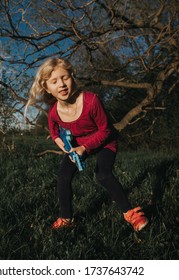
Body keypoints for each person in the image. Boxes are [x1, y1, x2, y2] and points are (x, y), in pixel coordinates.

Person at [26, 57, 148, 232]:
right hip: (78, 146)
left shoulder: (91, 101)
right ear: (47, 88)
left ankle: (131, 214)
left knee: (103, 175)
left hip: (105, 140)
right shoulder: (54, 112)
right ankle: (66, 219)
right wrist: (63, 144)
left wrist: (84, 148)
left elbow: (105, 130)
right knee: (63, 176)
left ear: (72, 77)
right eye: (54, 81)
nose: (61, 84)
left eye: (65, 78)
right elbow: (53, 131)